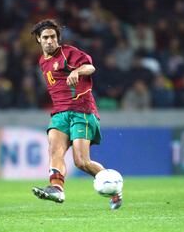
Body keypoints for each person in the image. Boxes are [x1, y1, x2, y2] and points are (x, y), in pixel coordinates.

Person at [30, 19, 122, 209]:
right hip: (59, 113)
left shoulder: (68, 52)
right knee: (54, 150)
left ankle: (114, 188)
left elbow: (90, 67)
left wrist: (77, 72)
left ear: (58, 38)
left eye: (53, 37)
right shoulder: (42, 61)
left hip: (81, 110)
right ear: (38, 39)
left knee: (81, 162)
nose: (49, 41)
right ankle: (57, 189)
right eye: (45, 37)